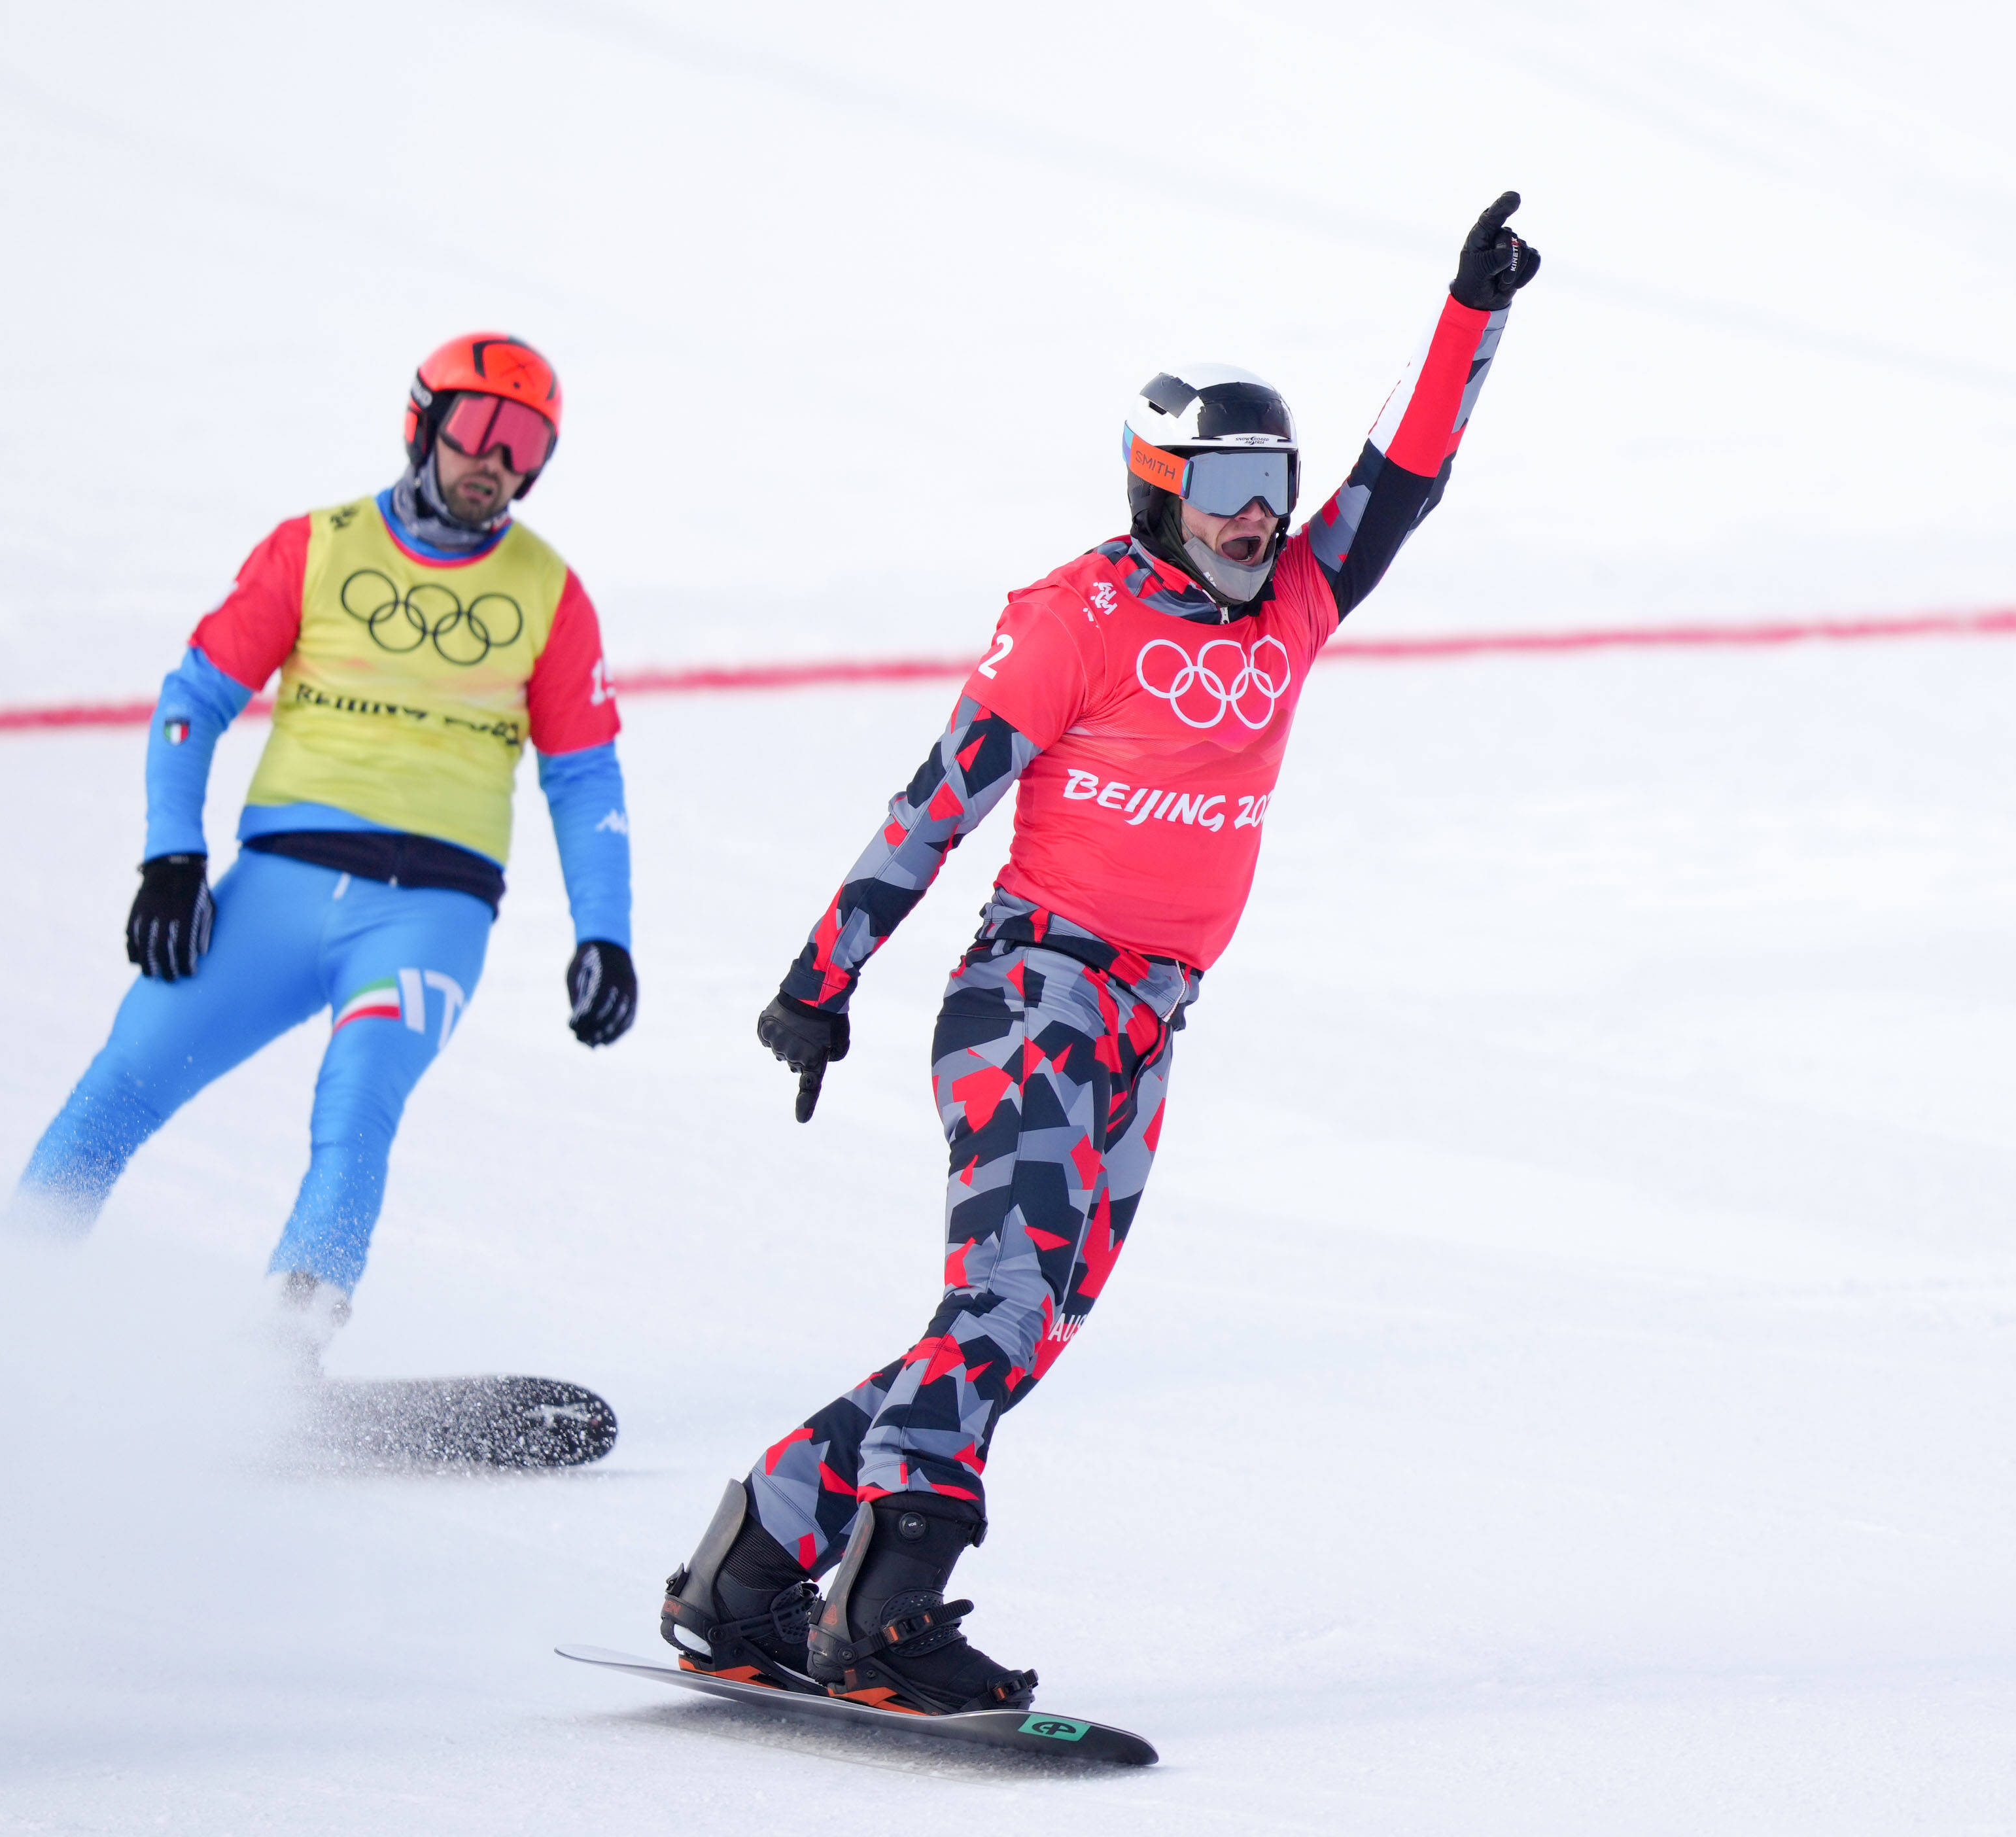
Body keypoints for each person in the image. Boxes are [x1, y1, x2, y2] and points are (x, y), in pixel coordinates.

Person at [659, 198, 1542, 1713]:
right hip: (1034, 998)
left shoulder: (1296, 605)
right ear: (1156, 487)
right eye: (1222, 487)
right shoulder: (1075, 622)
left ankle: (750, 1566)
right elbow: (934, 807)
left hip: (1147, 1022)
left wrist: (1472, 316)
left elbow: (1403, 480)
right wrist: (820, 980)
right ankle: (880, 1618)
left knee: (1016, 1335)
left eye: (1270, 482)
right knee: (998, 1309)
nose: (1258, 515)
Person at [12, 332, 635, 1347]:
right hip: (277, 889)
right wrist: (172, 856)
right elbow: (192, 701)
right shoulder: (318, 546)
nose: (498, 460)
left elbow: (585, 778)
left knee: (358, 1102)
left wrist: (603, 933)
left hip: (431, 912)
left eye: (526, 442)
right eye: (478, 426)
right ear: (422, 425)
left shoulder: (552, 595)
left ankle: (284, 1349)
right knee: (124, 1077)